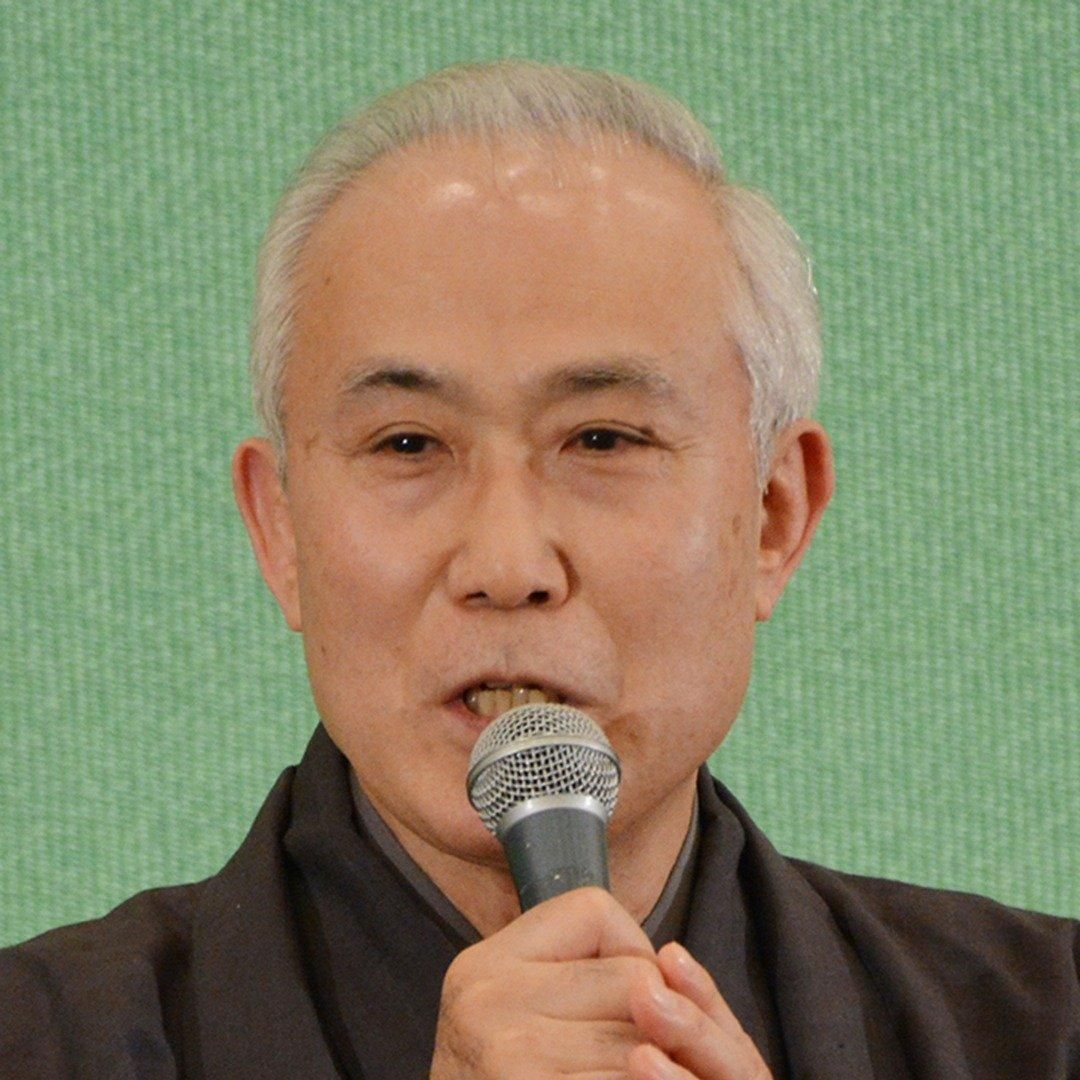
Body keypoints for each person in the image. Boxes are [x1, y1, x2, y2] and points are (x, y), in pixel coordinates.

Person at [1, 59, 1076, 1079]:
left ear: (772, 518)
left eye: (603, 439)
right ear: (279, 529)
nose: (507, 564)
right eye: (408, 444)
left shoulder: (1044, 1028)